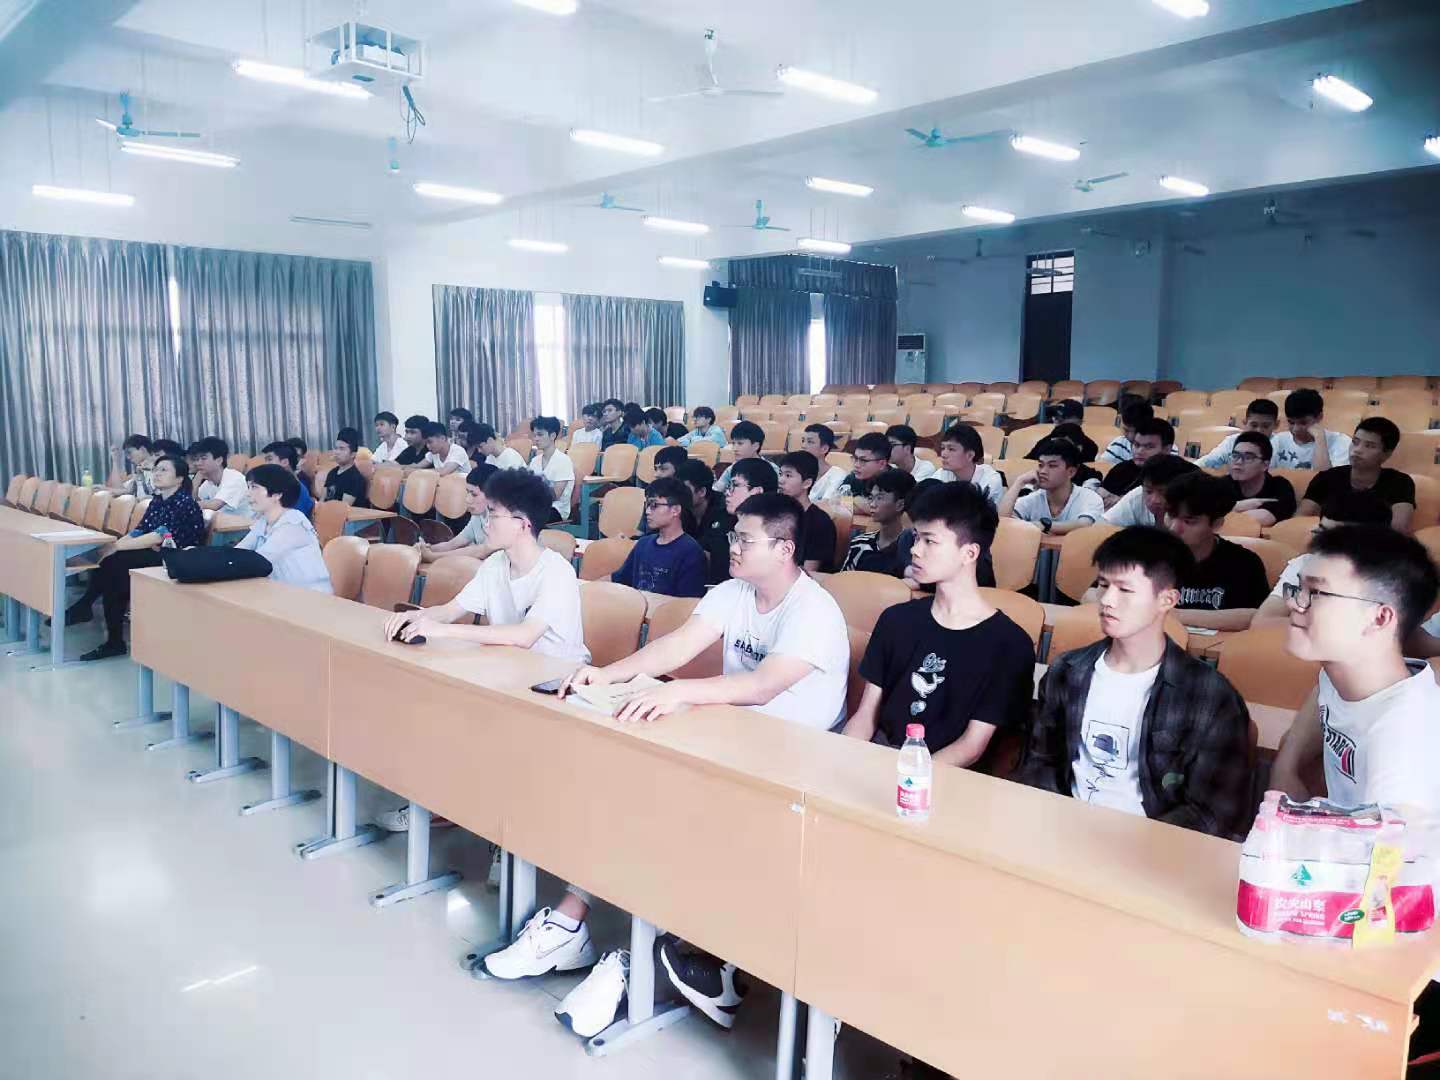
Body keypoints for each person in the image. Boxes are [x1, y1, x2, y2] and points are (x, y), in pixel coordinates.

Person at [485, 493, 849, 1035]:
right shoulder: (733, 592)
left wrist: (677, 693)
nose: (732, 546)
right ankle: (571, 921)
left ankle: (640, 957)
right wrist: (609, 675)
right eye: (733, 536)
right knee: (630, 781)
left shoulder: (813, 611)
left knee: (662, 809)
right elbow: (677, 646)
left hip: (797, 764)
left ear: (784, 548)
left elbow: (762, 685)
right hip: (734, 742)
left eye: (745, 539)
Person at [1017, 526, 1252, 838]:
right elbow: (1041, 763)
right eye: (1103, 585)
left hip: (1152, 847)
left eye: (1125, 590)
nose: (1107, 600)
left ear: (1167, 599)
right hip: (1063, 831)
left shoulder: (1209, 696)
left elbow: (1213, 811)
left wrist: (1132, 843)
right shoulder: (1068, 671)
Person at [844, 483, 1035, 764]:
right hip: (880, 756)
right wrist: (844, 760)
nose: (915, 550)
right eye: (916, 537)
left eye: (929, 541)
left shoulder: (1009, 645)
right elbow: (866, 716)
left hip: (945, 775)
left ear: (969, 553)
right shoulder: (896, 620)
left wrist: (909, 777)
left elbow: (972, 745)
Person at [1269, 525, 1440, 810]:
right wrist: (1285, 766)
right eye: (1299, 588)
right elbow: (1321, 694)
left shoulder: (1407, 738)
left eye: (1316, 592)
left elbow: (1391, 838)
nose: (1294, 603)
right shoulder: (1341, 672)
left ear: (1380, 618)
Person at [385, 469, 590, 660]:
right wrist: (415, 616)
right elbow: (450, 611)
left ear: (522, 524)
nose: (486, 524)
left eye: (493, 515)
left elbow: (525, 635)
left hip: (559, 677)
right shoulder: (494, 565)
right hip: (512, 666)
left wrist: (441, 630)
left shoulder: (557, 572)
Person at [71, 455, 206, 661]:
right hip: (155, 552)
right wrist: (114, 547)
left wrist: (116, 546)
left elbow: (160, 535)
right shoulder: (157, 501)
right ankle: (106, 631)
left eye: (164, 470)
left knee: (114, 565)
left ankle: (97, 620)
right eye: (156, 469)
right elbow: (139, 530)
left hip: (178, 558)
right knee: (110, 564)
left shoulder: (185, 502)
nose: (157, 474)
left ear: (179, 478)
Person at [1249, 490, 1395, 627]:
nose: (1318, 538)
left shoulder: (1395, 577)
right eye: (1321, 529)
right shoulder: (1304, 564)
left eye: (1333, 536)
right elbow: (1263, 621)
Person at [1161, 472, 1270, 630]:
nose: (1174, 528)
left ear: (1217, 524)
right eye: (1171, 516)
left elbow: (1256, 617)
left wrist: (1175, 615)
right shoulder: (1152, 557)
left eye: (1189, 521)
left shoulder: (1244, 563)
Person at [1298, 417, 1415, 531]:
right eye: (1355, 442)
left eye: (1369, 446)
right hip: (1326, 541)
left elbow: (1399, 530)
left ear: (1387, 454)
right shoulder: (1326, 478)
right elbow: (1298, 520)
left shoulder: (1400, 483)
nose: (1357, 450)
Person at [237, 464, 332, 593]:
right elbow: (239, 551)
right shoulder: (263, 522)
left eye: (254, 487)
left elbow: (259, 561)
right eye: (248, 487)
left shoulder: (293, 524)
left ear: (277, 494)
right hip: (281, 592)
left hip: (311, 597)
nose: (248, 494)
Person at [609, 477, 706, 597]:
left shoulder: (691, 552)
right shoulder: (643, 544)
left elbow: (688, 603)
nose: (647, 511)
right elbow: (618, 579)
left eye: (654, 505)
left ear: (675, 510)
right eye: (647, 505)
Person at [999, 437, 1105, 536]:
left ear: (1071, 472)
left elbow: (1085, 525)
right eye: (1041, 465)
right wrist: (1019, 482)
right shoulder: (1033, 498)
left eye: (1052, 466)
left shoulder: (1089, 497)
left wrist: (1045, 525)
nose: (1043, 471)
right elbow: (1002, 521)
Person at [703, 457, 776, 585]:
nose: (727, 492)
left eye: (735, 485)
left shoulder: (773, 532)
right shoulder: (720, 519)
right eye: (728, 486)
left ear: (757, 492)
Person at [417, 464, 498, 564]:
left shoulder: (502, 519)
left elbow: (480, 551)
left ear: (493, 495)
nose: (467, 499)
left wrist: (432, 557)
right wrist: (426, 549)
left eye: (474, 494)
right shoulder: (478, 515)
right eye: (467, 492)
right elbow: (453, 544)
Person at [842, 468, 916, 575]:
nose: (872, 504)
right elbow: (844, 579)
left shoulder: (912, 549)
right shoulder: (860, 543)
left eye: (880, 498)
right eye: (871, 498)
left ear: (900, 505)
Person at [1094, 418, 1174, 509]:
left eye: (1149, 447)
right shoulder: (1121, 469)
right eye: (1136, 445)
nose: (1139, 451)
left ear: (1167, 449)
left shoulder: (1177, 477)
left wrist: (1122, 502)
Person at [777, 451, 837, 573]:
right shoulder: (776, 514)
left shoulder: (820, 522)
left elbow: (809, 571)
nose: (781, 480)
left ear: (807, 483)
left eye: (788, 475)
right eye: (780, 474)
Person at [1224, 431, 1296, 526]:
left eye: (1248, 457)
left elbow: (1264, 518)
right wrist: (1238, 506)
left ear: (1265, 465)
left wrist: (1225, 511)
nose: (1238, 462)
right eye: (1235, 456)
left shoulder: (1279, 486)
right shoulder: (1223, 484)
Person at [1103, 455, 1195, 527]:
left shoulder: (1192, 504)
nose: (1154, 500)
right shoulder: (1137, 496)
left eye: (1163, 492)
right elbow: (1104, 527)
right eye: (1149, 492)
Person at [1271, 388, 1350, 470]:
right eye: (1291, 422)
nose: (1295, 429)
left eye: (1303, 423)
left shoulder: (1341, 442)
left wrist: (1320, 439)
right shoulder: (1278, 440)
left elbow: (1326, 477)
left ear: (1319, 417)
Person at [1191, 399, 1279, 467]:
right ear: (1245, 422)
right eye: (1254, 425)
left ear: (1276, 425)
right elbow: (1205, 462)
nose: (1259, 431)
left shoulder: (1280, 445)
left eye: (1265, 426)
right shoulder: (1231, 442)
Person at [933, 423, 1004, 504]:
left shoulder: (990, 480)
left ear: (970, 455)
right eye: (942, 448)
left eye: (951, 449)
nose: (943, 454)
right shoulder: (940, 474)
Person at [527, 416, 574, 525]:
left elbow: (555, 495)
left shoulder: (563, 460)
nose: (536, 439)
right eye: (534, 435)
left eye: (540, 435)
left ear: (552, 436)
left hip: (556, 509)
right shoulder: (535, 461)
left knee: (527, 518)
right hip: (536, 505)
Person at [190, 436, 251, 518]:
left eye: (203, 458)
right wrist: (196, 481)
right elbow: (194, 500)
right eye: (196, 459)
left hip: (244, 524)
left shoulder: (234, 478)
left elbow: (215, 505)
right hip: (223, 523)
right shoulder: (209, 482)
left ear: (219, 460)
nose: (197, 463)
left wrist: (189, 505)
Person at [836, 431, 894, 511]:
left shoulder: (897, 481)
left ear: (882, 464)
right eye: (855, 458)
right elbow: (837, 502)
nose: (856, 465)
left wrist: (853, 499)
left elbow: (884, 511)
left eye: (863, 460)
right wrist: (858, 500)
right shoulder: (853, 477)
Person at [712, 421, 775, 492]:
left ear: (755, 446)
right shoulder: (732, 469)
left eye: (740, 443)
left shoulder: (772, 469)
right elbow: (717, 489)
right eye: (733, 443)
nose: (735, 448)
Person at [260, 441, 315, 517]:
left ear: (285, 462)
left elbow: (292, 519)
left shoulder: (295, 490)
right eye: (265, 460)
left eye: (269, 459)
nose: (265, 465)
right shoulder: (279, 486)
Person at [322, 428, 370, 508]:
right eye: (336, 448)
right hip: (329, 512)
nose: (337, 452)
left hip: (349, 515)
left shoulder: (355, 478)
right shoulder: (332, 473)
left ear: (353, 454)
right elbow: (322, 500)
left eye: (342, 449)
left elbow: (343, 508)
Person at [1099, 401, 1155, 465]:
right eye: (1125, 430)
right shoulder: (1120, 443)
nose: (1129, 435)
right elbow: (1103, 465)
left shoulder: (1157, 449)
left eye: (1128, 431)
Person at [802, 424, 848, 503]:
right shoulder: (797, 471)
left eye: (810, 442)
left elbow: (826, 503)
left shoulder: (837, 475)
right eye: (803, 441)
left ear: (824, 449)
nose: (803, 446)